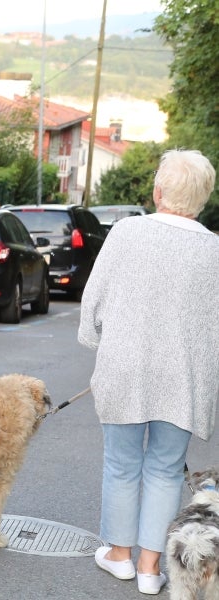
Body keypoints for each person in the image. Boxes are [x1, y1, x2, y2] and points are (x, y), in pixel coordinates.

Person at [78, 149, 219, 596]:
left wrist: (101, 343)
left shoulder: (127, 232)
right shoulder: (214, 249)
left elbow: (93, 301)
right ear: (204, 199)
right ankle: (148, 566)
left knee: (121, 464)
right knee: (163, 468)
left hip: (126, 366)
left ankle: (118, 555)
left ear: (158, 191)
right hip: (184, 376)